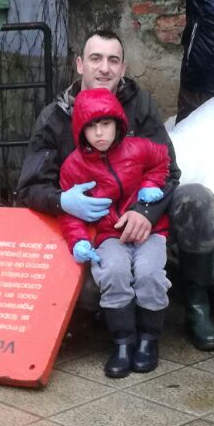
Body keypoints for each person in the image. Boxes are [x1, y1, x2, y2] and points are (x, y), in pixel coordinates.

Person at [18, 29, 214, 350]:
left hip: (144, 218)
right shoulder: (56, 116)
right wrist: (64, 202)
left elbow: (168, 168)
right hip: (91, 229)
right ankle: (117, 321)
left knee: (196, 199)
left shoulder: (139, 103)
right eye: (95, 59)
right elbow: (29, 188)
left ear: (123, 68)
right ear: (79, 65)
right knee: (92, 295)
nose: (104, 68)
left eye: (113, 60)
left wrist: (145, 211)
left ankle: (197, 304)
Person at [60, 89, 173, 378]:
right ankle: (123, 342)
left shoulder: (137, 147)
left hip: (149, 229)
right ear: (80, 129)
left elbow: (162, 160)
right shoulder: (74, 166)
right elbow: (70, 213)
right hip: (108, 233)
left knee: (150, 274)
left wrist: (150, 185)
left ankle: (149, 340)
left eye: (106, 125)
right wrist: (79, 241)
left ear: (118, 125)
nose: (99, 133)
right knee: (113, 273)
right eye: (91, 126)